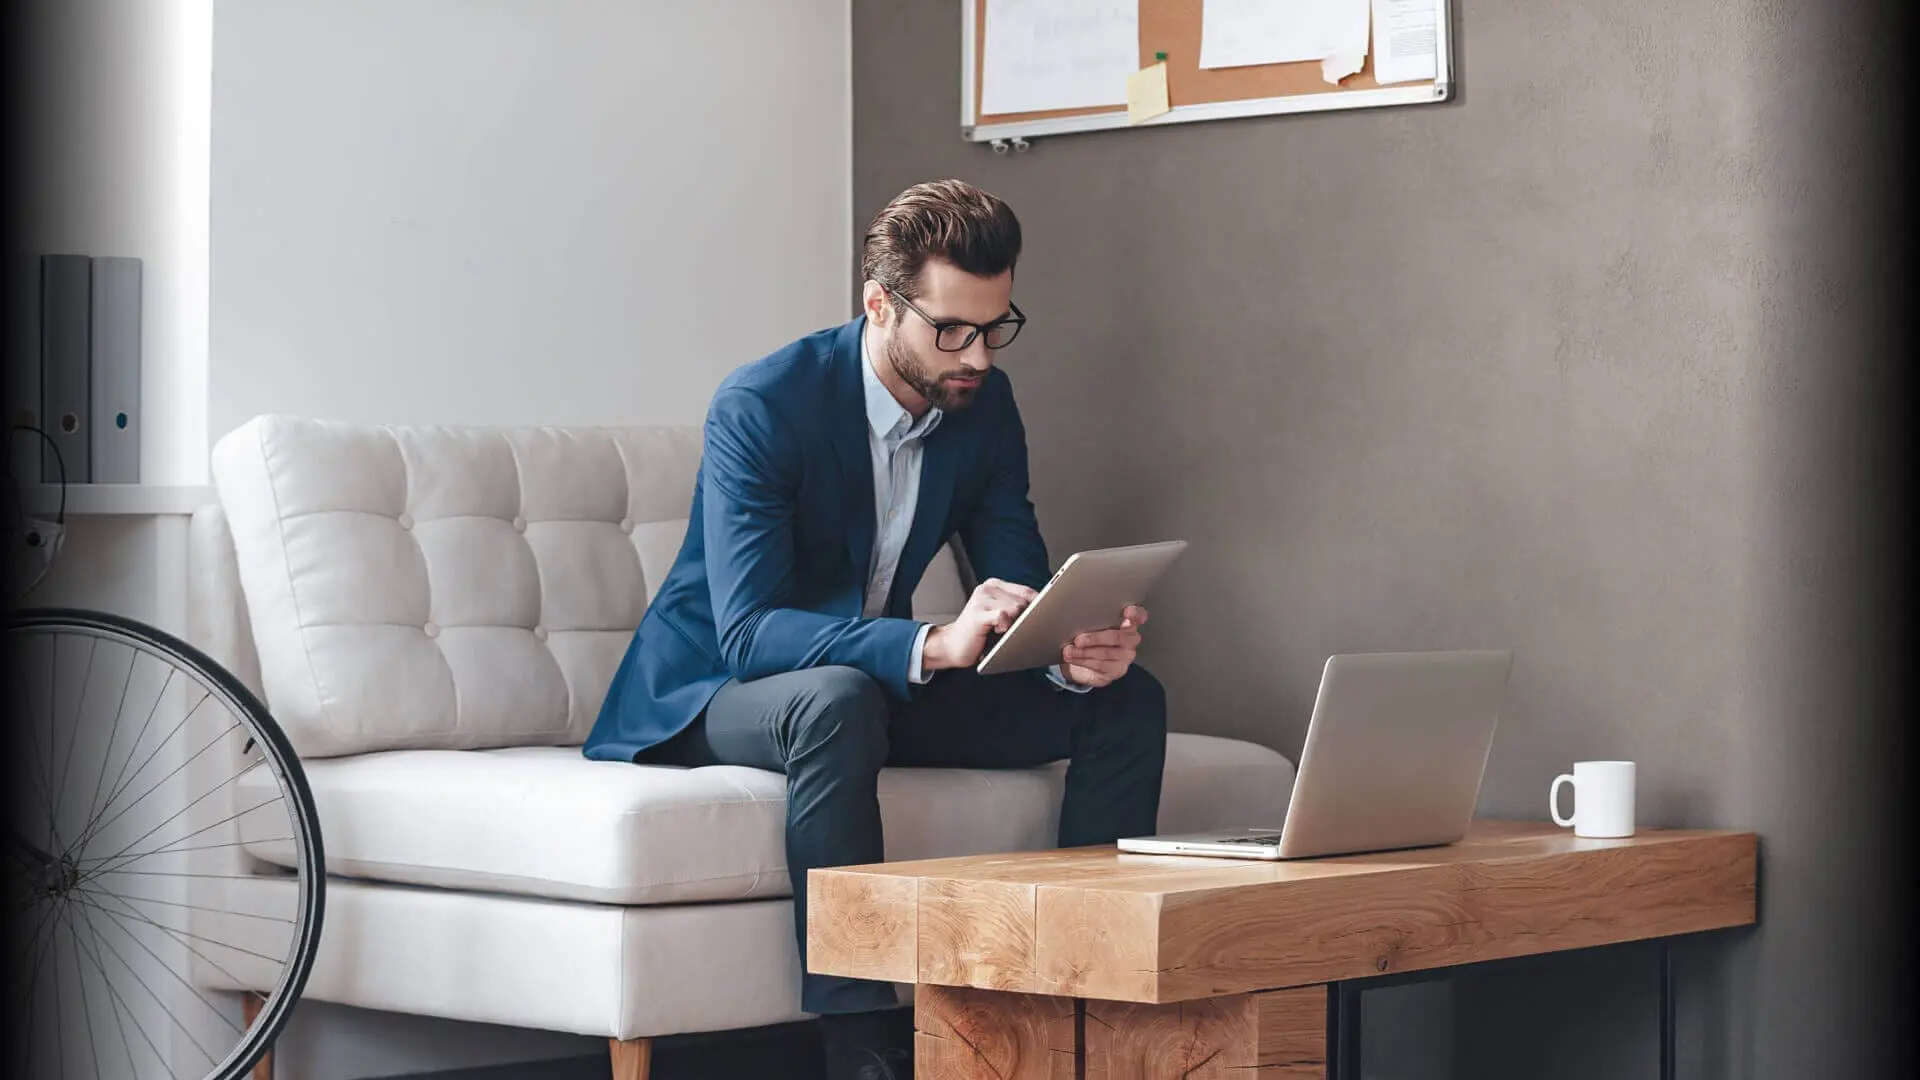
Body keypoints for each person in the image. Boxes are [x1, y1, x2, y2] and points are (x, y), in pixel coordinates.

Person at [584, 179, 1168, 1080]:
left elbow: (1014, 576)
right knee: (837, 699)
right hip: (715, 693)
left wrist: (1067, 649)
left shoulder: (985, 405)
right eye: (951, 329)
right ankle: (861, 1046)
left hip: (869, 690)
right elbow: (747, 631)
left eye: (996, 325)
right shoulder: (766, 404)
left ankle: (1076, 1006)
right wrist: (929, 643)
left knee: (1126, 699)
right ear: (879, 303)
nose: (976, 353)